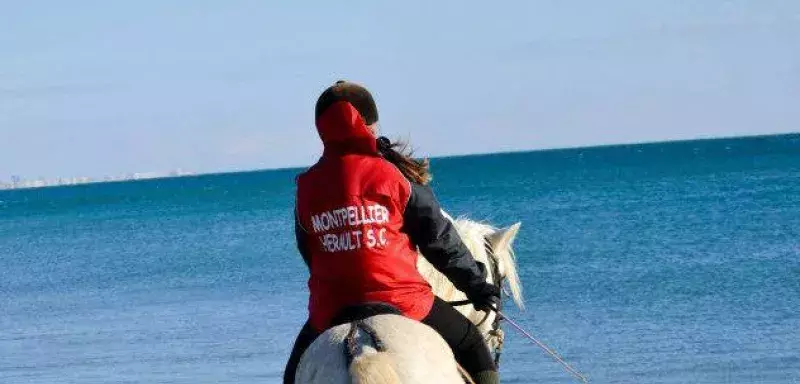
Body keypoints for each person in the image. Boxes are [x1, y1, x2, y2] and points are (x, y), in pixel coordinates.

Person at [284, 80, 501, 384]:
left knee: (292, 375)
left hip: (330, 307)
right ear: (370, 126)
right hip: (402, 298)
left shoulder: (306, 188)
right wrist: (477, 286)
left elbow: (308, 251)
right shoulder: (394, 175)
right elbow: (439, 240)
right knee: (475, 348)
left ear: (322, 129)